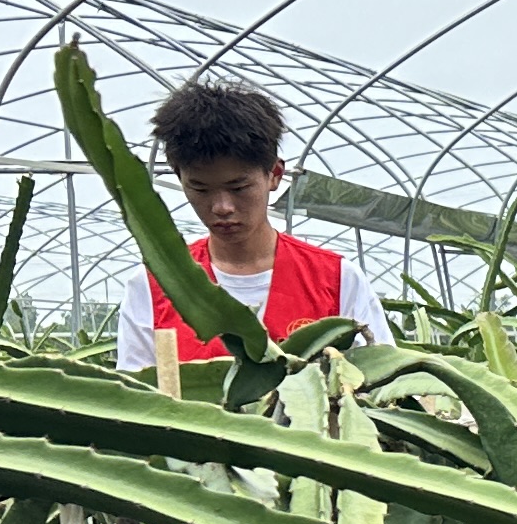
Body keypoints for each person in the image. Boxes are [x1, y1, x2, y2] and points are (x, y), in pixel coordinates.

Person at [118, 79, 395, 373]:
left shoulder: (337, 279)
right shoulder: (153, 285)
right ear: (180, 177)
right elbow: (136, 388)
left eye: (239, 187)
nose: (222, 207)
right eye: (200, 189)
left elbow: (381, 379)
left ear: (274, 174)